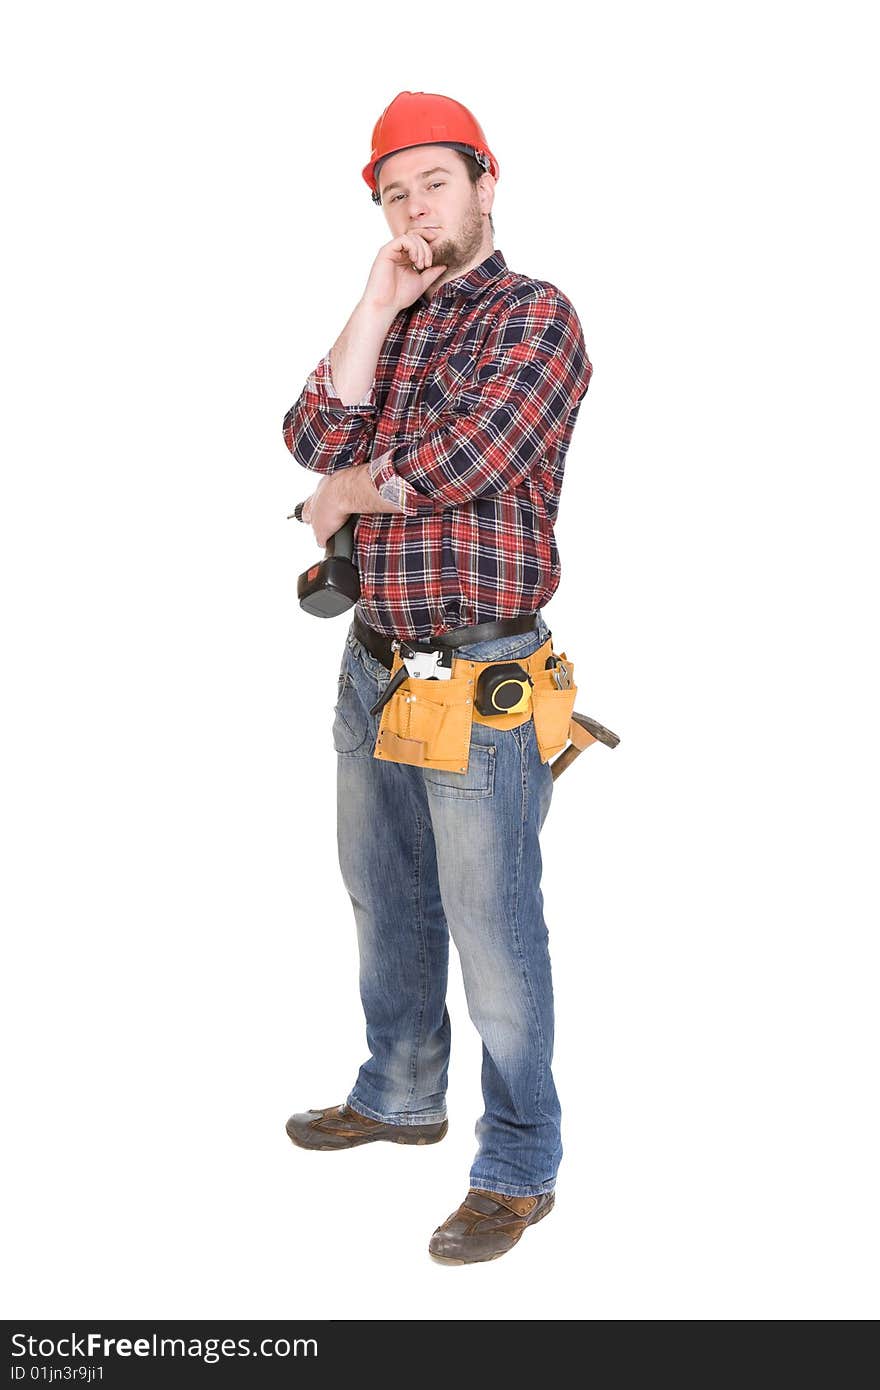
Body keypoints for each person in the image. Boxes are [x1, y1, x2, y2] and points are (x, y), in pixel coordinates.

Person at [281, 90, 593, 1265]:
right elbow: (310, 431)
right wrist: (371, 306)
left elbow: (469, 458)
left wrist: (344, 496)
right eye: (393, 192)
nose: (415, 207)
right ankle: (402, 1091)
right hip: (376, 668)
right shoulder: (395, 317)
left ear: (484, 183)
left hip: (482, 682)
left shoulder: (534, 314)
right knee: (384, 898)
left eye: (434, 183)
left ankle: (518, 1161)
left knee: (495, 931)